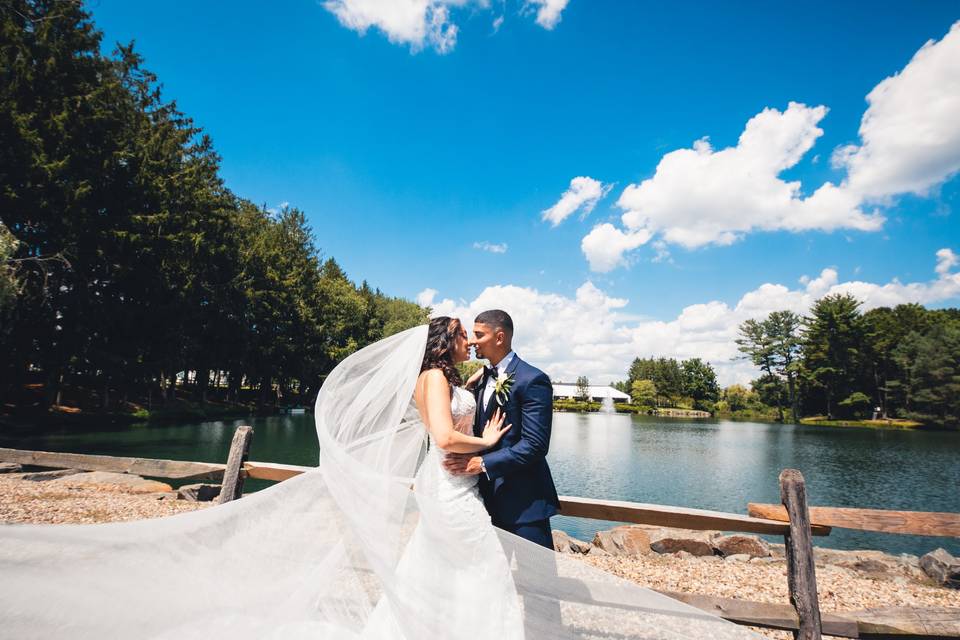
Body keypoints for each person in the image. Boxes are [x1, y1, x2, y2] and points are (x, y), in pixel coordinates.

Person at [0, 320, 761, 639]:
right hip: (453, 483)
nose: (469, 341)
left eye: (475, 335)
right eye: (461, 335)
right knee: (472, 558)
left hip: (462, 484)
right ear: (443, 344)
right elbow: (440, 440)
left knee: (458, 560)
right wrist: (483, 439)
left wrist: (480, 447)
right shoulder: (435, 380)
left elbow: (463, 444)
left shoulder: (477, 376)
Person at [443, 309, 559, 549]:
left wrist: (482, 464)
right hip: (482, 502)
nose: (472, 341)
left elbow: (535, 445)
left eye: (478, 334)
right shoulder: (481, 380)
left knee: (538, 584)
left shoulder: (532, 379)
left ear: (499, 338)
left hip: (524, 505)